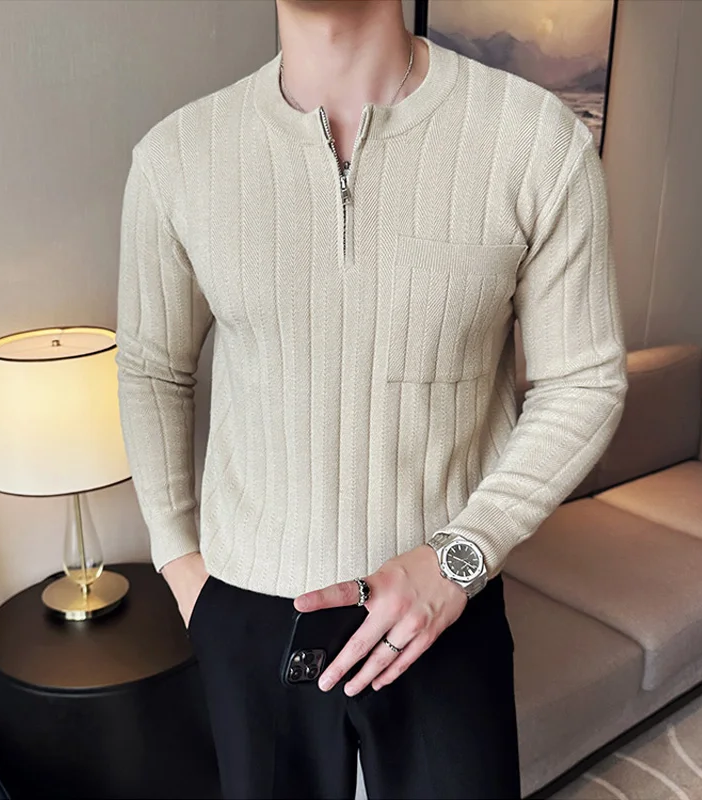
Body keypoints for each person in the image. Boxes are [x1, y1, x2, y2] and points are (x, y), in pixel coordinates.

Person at [115, 0, 628, 797]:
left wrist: (459, 558)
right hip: (248, 606)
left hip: (448, 598)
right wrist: (180, 564)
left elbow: (583, 381)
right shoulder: (176, 157)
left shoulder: (535, 140)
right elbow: (152, 367)